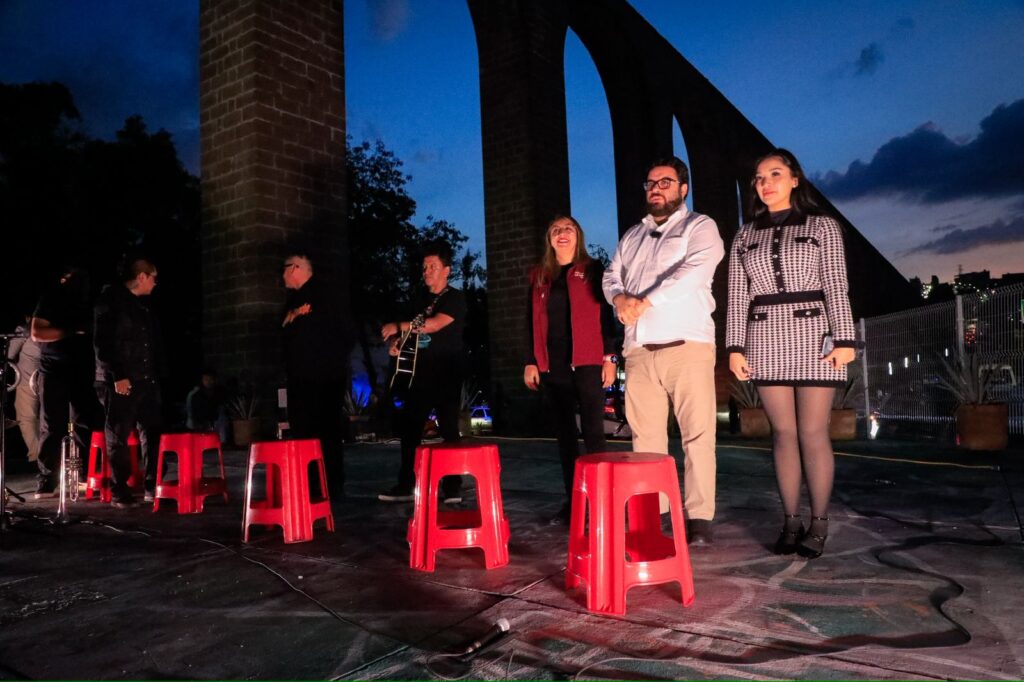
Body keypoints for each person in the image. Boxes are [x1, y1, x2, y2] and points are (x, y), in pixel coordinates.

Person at [726, 148, 856, 559]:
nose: (765, 183)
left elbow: (836, 284)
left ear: (795, 179)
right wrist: (735, 346)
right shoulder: (745, 235)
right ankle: (790, 521)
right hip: (764, 336)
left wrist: (845, 338)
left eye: (775, 174)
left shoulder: (823, 226)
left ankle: (819, 523)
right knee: (782, 433)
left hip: (815, 335)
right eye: (759, 177)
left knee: (813, 432)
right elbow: (737, 297)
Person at [602, 156, 725, 545]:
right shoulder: (632, 235)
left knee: (697, 435)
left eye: (665, 182)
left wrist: (645, 302)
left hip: (686, 345)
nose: (656, 189)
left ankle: (699, 518)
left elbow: (695, 272)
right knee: (646, 440)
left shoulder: (699, 226)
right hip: (639, 350)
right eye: (651, 183)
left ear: (683, 189)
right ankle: (653, 517)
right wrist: (619, 298)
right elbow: (611, 275)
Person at [524, 216, 617, 521]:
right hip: (553, 364)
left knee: (593, 432)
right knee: (565, 437)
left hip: (588, 360)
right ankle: (575, 502)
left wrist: (610, 357)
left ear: (578, 235)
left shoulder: (592, 269)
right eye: (555, 230)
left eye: (568, 229)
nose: (561, 233)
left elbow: (605, 316)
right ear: (549, 239)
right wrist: (530, 360)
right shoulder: (539, 276)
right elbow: (529, 320)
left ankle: (600, 502)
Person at [378, 240, 466, 503]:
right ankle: (407, 484)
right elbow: (412, 330)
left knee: (448, 428)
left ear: (447, 270)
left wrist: (398, 326)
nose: (427, 271)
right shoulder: (418, 300)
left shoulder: (455, 298)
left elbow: (434, 325)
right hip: (419, 373)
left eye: (433, 266)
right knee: (410, 429)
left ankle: (452, 487)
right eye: (425, 266)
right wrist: (397, 343)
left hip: (447, 370)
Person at [94, 256, 165, 508]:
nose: (155, 283)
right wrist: (118, 375)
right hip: (121, 379)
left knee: (153, 431)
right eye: (153, 277)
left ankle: (152, 484)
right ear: (142, 276)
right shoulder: (111, 301)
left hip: (145, 378)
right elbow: (103, 342)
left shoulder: (142, 306)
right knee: (119, 433)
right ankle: (119, 489)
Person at [281, 249, 351, 500]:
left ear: (295, 268)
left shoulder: (320, 296)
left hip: (318, 379)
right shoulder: (297, 300)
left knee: (318, 432)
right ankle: (319, 485)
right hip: (311, 378)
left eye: (284, 269)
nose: (282, 275)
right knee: (315, 432)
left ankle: (321, 486)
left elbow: (342, 335)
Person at [31, 267, 103, 499]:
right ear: (63, 279)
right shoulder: (51, 299)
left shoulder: (88, 302)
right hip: (54, 368)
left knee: (87, 422)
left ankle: (84, 475)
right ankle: (47, 479)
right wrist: (72, 331)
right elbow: (37, 333)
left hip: (83, 368)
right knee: (52, 424)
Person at [7, 316, 41, 462]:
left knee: (26, 418)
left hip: (28, 379)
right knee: (45, 420)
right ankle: (46, 457)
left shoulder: (25, 329)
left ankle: (37, 456)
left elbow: (9, 355)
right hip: (47, 377)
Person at [185, 369, 229, 443]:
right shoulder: (196, 395)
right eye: (206, 379)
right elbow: (194, 413)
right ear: (202, 380)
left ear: (215, 380)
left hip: (217, 423)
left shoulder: (220, 392)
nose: (208, 382)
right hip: (201, 425)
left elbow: (223, 408)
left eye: (211, 379)